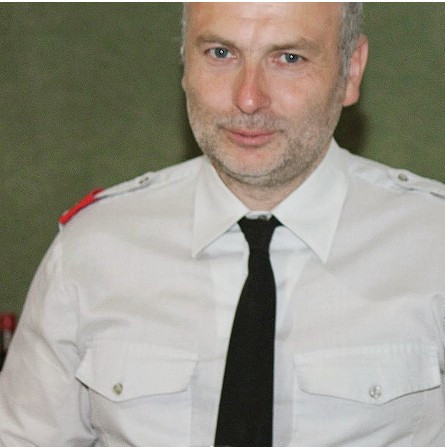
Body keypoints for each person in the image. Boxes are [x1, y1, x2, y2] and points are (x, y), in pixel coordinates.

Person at [1, 2, 444, 446]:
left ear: (351, 70)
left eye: (289, 58)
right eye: (220, 53)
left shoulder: (432, 244)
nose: (248, 98)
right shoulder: (95, 248)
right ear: (185, 65)